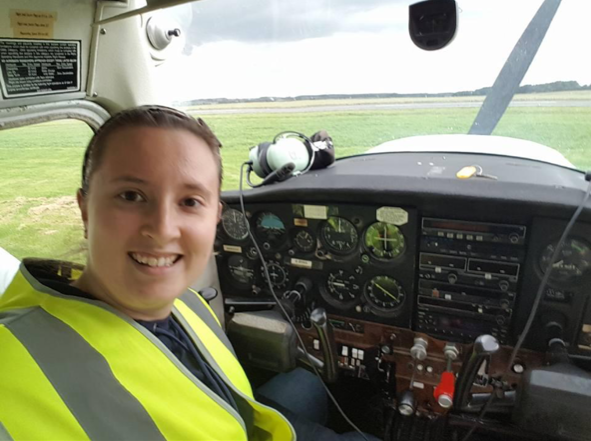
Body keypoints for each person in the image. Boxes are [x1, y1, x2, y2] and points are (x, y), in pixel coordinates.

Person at [0, 106, 377, 441]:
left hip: (245, 421)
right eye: (131, 195)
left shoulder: (187, 303)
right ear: (85, 209)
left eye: (190, 201)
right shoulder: (10, 367)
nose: (163, 229)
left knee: (306, 382)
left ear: (216, 216)